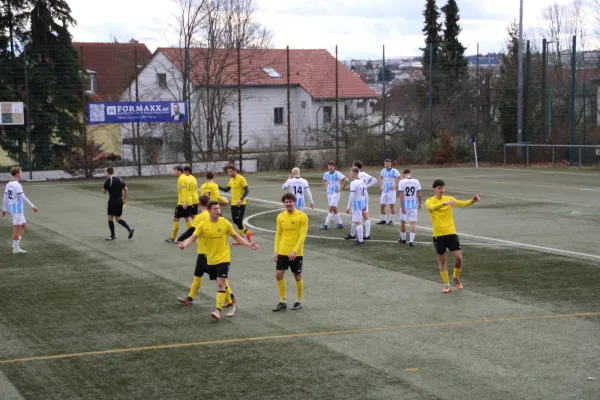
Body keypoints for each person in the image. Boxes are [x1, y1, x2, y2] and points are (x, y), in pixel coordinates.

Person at [179, 201, 259, 320]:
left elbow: (235, 236)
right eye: (215, 209)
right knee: (220, 282)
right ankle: (231, 304)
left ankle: (218, 310)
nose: (218, 211)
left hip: (224, 257)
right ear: (209, 210)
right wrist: (184, 244)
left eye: (218, 209)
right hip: (210, 259)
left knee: (220, 282)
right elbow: (193, 237)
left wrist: (248, 244)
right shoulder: (203, 224)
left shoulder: (225, 223)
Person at [175, 195, 237, 316]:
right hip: (206, 253)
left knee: (218, 279)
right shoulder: (215, 217)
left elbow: (191, 231)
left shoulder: (200, 218)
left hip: (207, 254)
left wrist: (180, 239)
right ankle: (190, 298)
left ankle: (230, 300)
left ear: (199, 203)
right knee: (205, 277)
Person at [425, 179, 480, 293]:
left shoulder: (449, 199)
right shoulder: (429, 201)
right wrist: (444, 203)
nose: (441, 190)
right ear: (434, 189)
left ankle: (456, 277)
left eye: (443, 187)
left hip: (451, 233)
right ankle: (446, 284)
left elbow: (462, 203)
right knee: (442, 260)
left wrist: (472, 201)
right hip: (438, 235)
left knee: (459, 258)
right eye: (439, 188)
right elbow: (432, 208)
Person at [272, 193, 309, 312]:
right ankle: (282, 301)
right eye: (286, 202)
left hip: (296, 252)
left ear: (294, 202)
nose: (288, 204)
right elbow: (278, 234)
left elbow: (303, 235)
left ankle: (298, 301)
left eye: (290, 201)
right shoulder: (280, 216)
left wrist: (295, 251)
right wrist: (276, 251)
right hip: (283, 250)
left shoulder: (302, 216)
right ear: (284, 203)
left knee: (297, 275)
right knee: (278, 275)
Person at [2, 167, 38, 254]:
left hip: (14, 208)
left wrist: (4, 209)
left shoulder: (9, 184)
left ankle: (15, 244)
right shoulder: (17, 185)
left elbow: (5, 197)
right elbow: (23, 197)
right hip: (17, 209)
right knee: (17, 229)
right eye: (20, 172)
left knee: (24, 226)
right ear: (17, 173)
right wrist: (33, 206)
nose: (21, 174)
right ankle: (16, 248)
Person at [218, 165, 252, 244]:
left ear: (234, 171)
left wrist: (241, 199)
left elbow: (246, 190)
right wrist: (217, 186)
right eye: (228, 172)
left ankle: (240, 239)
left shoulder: (241, 178)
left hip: (241, 203)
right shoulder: (231, 180)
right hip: (233, 203)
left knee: (239, 220)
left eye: (230, 171)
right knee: (235, 220)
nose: (229, 173)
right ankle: (247, 232)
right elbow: (226, 189)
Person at [345, 160, 377, 240]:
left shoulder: (359, 177)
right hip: (364, 197)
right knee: (363, 216)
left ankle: (359, 236)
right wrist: (366, 186)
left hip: (358, 198)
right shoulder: (365, 174)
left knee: (358, 218)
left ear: (355, 167)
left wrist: (348, 206)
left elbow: (353, 192)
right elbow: (375, 180)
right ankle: (365, 234)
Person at [102, 167, 134, 241]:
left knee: (110, 218)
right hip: (120, 200)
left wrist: (104, 188)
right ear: (113, 172)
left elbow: (104, 192)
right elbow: (126, 190)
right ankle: (129, 228)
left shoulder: (108, 180)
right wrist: (125, 200)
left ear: (108, 173)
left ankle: (113, 235)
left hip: (112, 201)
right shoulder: (120, 179)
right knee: (117, 218)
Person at [166, 166, 192, 243]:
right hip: (189, 202)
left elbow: (183, 190)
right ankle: (191, 235)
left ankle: (173, 237)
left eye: (175, 171)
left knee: (176, 218)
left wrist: (183, 202)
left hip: (182, 203)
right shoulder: (187, 177)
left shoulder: (181, 179)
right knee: (187, 218)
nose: (174, 173)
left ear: (179, 171)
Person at [320, 161, 348, 230]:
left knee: (331, 209)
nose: (330, 167)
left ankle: (326, 224)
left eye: (332, 166)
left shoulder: (337, 174)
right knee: (334, 209)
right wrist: (325, 188)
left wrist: (341, 188)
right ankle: (340, 224)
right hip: (329, 194)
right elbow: (324, 180)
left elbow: (346, 180)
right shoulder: (326, 174)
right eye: (329, 165)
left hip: (335, 194)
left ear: (334, 167)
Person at [398, 169, 421, 246]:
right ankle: (411, 241)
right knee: (413, 223)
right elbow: (419, 194)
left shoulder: (402, 182)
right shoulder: (416, 181)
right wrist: (420, 204)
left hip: (405, 205)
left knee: (402, 222)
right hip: (413, 205)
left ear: (403, 174)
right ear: (410, 174)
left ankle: (403, 239)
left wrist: (401, 206)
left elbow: (401, 195)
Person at [345, 167, 368, 246]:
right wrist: (365, 204)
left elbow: (352, 196)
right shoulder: (362, 182)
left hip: (356, 204)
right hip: (361, 203)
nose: (350, 174)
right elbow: (365, 194)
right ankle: (352, 235)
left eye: (350, 172)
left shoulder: (354, 183)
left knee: (358, 222)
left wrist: (348, 206)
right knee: (355, 220)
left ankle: (361, 240)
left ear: (354, 173)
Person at [378, 159, 401, 225]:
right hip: (384, 190)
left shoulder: (394, 171)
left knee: (391, 205)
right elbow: (380, 178)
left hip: (391, 191)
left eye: (387, 164)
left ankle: (391, 220)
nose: (386, 165)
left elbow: (401, 178)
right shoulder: (383, 170)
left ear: (390, 164)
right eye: (385, 164)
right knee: (382, 205)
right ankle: (383, 219)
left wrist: (396, 186)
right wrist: (381, 186)